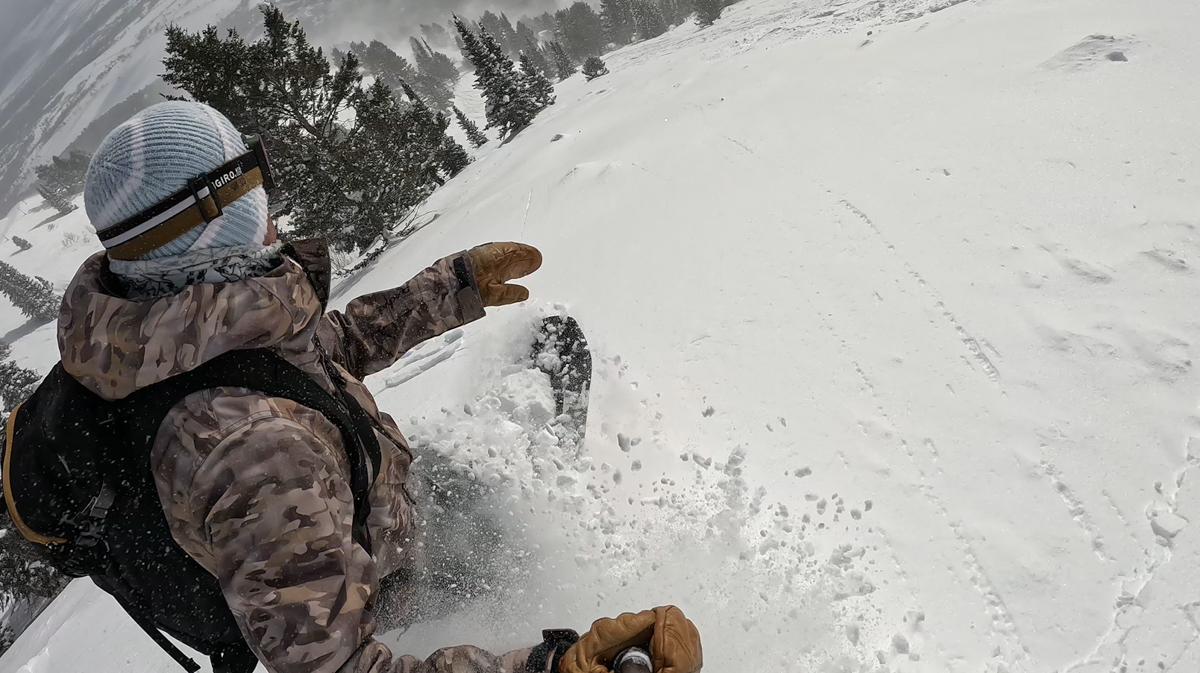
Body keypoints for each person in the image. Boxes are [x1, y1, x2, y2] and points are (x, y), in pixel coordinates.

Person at [48, 100, 704, 673]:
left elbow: (307, 362)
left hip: (371, 501)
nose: (274, 203)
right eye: (256, 178)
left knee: (452, 483)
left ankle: (503, 474)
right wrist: (549, 665)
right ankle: (531, 493)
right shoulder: (259, 456)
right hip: (394, 566)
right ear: (212, 219)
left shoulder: (168, 327)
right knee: (500, 527)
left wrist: (446, 290)